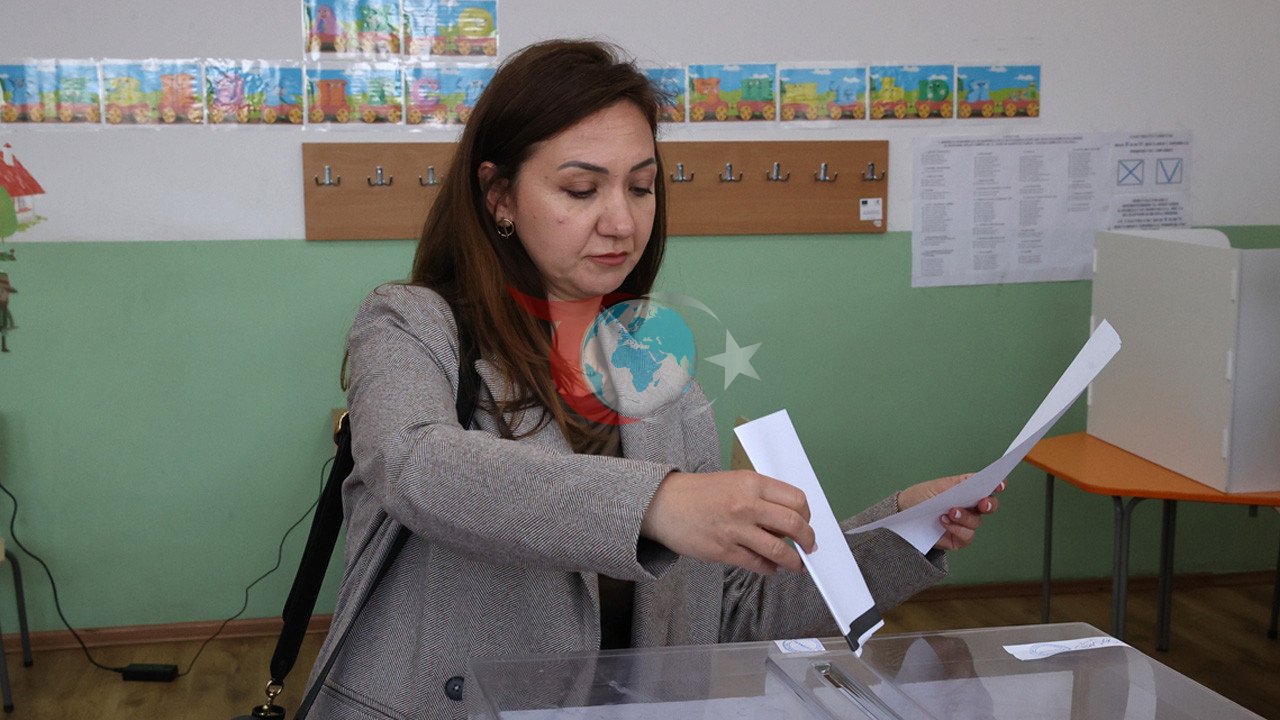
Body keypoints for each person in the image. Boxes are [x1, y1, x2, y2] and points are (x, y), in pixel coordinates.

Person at [304, 39, 1000, 720]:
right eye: (581, 189)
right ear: (499, 195)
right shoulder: (409, 323)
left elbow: (721, 616)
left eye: (641, 187)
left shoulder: (653, 372)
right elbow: (418, 465)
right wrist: (657, 505)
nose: (622, 221)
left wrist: (904, 528)